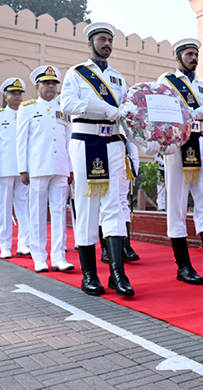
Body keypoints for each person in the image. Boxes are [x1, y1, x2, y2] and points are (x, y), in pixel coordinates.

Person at [61, 22, 133, 297]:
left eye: (110, 40)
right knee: (87, 207)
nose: (106, 44)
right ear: (90, 43)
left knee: (114, 206)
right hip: (86, 140)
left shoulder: (118, 78)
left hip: (113, 142)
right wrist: (102, 108)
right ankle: (89, 274)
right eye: (102, 39)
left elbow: (126, 112)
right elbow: (68, 104)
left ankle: (117, 274)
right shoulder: (77, 73)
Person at [156, 38, 203, 286]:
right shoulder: (167, 82)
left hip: (200, 142)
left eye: (196, 54)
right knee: (177, 205)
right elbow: (159, 112)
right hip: (177, 144)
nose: (194, 58)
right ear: (178, 57)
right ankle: (183, 265)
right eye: (189, 54)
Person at [16, 66, 74, 273]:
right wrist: (23, 169)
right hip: (38, 167)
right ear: (37, 86)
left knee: (59, 213)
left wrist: (71, 168)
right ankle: (39, 257)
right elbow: (21, 141)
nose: (51, 86)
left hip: (60, 167)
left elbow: (68, 140)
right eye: (46, 83)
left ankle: (59, 257)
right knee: (38, 213)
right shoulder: (27, 108)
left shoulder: (64, 108)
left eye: (54, 83)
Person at [0, 77, 31, 260]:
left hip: (24, 169)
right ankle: (5, 245)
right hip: (4, 168)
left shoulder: (28, 113)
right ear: (5, 96)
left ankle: (24, 243)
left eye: (19, 93)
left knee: (24, 206)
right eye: (13, 93)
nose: (17, 96)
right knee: (4, 208)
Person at [99, 138, 140, 264]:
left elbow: (131, 139)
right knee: (104, 202)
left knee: (123, 202)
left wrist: (134, 165)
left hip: (123, 160)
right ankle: (106, 248)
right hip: (102, 155)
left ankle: (125, 246)